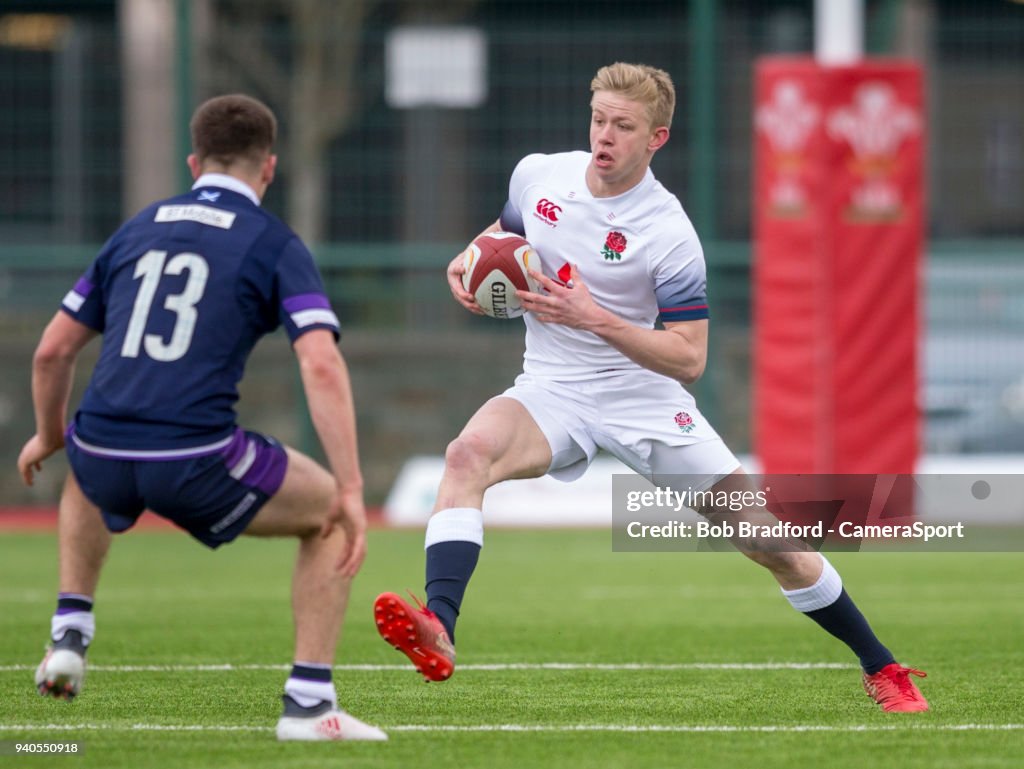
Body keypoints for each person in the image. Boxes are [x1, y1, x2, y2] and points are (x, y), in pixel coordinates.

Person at [373, 63, 929, 713]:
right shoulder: (538, 174)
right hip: (551, 388)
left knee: (773, 543)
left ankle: (883, 665)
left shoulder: (667, 233)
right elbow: (503, 238)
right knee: (466, 454)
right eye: (599, 119)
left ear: (656, 138)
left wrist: (594, 317)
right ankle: (439, 625)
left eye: (624, 126)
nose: (605, 135)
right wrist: (466, 269)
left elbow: (689, 358)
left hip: (645, 399)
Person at [18, 94, 386, 741]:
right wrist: (354, 486)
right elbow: (321, 365)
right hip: (193, 459)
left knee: (85, 448)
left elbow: (52, 350)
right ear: (268, 169)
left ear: (194, 162)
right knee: (329, 513)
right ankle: (308, 705)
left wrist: (50, 434)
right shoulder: (273, 242)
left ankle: (69, 631)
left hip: (105, 452)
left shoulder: (135, 228)